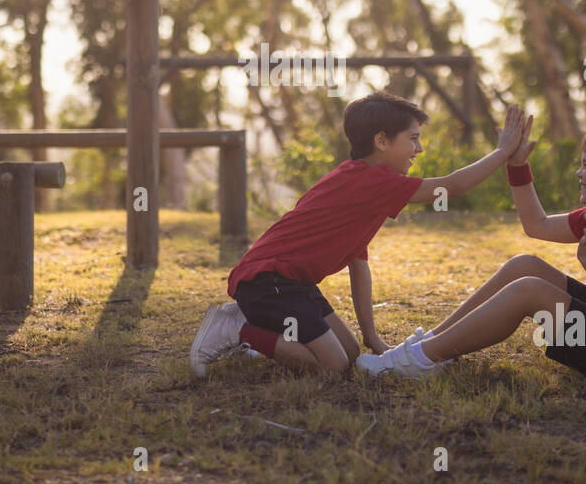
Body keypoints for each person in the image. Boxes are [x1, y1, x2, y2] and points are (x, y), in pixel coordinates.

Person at [189, 91, 532, 376]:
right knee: (334, 367)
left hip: (292, 285)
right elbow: (453, 186)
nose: (420, 149)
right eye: (413, 139)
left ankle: (258, 334)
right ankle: (239, 329)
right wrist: (502, 152)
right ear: (381, 141)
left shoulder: (360, 182)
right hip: (268, 282)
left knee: (351, 354)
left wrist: (372, 339)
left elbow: (358, 265)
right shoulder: (372, 181)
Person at [358, 115, 586, 382]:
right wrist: (517, 164)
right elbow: (537, 225)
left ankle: (415, 361)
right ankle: (428, 344)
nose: (579, 173)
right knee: (524, 266)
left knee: (529, 291)